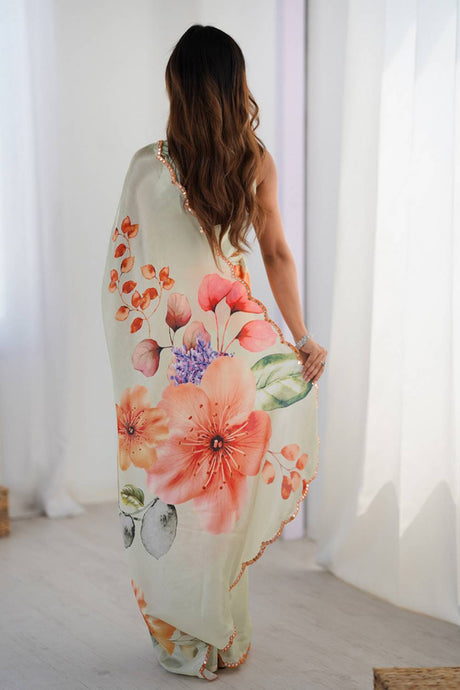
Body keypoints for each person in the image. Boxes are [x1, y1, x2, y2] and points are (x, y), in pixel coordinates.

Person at [100, 23, 326, 682]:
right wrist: (300, 337)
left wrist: (135, 363)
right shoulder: (254, 161)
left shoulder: (148, 167)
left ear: (177, 87)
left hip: (173, 373)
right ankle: (221, 633)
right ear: (235, 87)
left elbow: (122, 275)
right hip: (233, 368)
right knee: (218, 507)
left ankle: (186, 638)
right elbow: (276, 253)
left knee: (173, 501)